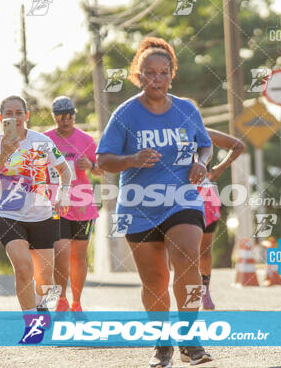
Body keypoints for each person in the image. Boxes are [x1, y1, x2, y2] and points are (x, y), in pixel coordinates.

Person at [97, 37, 213, 367]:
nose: (157, 79)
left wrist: (201, 162)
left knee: (189, 259)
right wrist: (132, 158)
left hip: (181, 198)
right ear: (138, 75)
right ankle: (162, 344)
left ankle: (190, 339)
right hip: (139, 205)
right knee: (155, 281)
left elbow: (204, 145)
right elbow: (103, 159)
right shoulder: (125, 114)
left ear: (172, 75)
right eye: (149, 73)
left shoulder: (187, 109)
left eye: (163, 73)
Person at [0, 96, 72, 325]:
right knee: (23, 269)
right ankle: (31, 321)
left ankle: (43, 307)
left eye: (19, 112)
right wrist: (3, 154)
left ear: (27, 115)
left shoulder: (42, 141)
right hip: (7, 214)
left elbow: (64, 170)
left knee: (46, 280)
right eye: (9, 114)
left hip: (41, 215)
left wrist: (64, 192)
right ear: (1, 119)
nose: (15, 117)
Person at [44, 96, 103, 313]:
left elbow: (101, 170)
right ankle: (61, 298)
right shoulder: (44, 140)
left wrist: (90, 164)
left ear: (74, 116)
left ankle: (76, 301)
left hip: (82, 204)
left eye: (69, 116)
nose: (65, 121)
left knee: (78, 256)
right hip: (56, 204)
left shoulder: (86, 140)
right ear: (54, 117)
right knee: (61, 254)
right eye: (60, 117)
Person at [188, 99, 245, 310]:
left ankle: (204, 290)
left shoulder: (204, 132)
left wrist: (220, 168)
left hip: (205, 196)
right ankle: (185, 292)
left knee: (204, 250)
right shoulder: (166, 134)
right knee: (183, 250)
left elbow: (238, 145)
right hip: (174, 195)